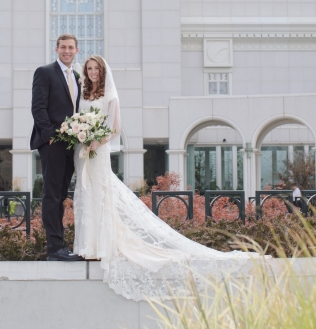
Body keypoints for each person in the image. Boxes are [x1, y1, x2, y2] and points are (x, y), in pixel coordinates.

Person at [72, 55, 260, 301]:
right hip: (83, 152)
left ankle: (101, 246)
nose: (93, 72)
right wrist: (80, 135)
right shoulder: (83, 94)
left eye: (96, 68)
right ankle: (88, 246)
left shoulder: (111, 96)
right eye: (89, 68)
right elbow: (78, 119)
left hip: (99, 150)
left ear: (103, 71)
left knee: (101, 195)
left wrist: (97, 141)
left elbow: (115, 128)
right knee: (86, 194)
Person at [30, 33, 83, 262]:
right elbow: (38, 107)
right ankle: (54, 248)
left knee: (61, 195)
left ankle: (60, 244)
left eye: (71, 47)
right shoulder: (45, 72)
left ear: (76, 50)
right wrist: (50, 135)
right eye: (63, 47)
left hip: (71, 144)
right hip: (53, 143)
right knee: (51, 195)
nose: (67, 51)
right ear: (56, 49)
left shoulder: (77, 77)